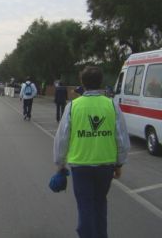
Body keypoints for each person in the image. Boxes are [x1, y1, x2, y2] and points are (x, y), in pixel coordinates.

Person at [53, 66, 130, 238]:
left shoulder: (73, 106)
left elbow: (62, 138)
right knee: (100, 203)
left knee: (85, 205)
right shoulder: (111, 105)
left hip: (81, 166)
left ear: (83, 83)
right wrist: (119, 163)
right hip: (106, 166)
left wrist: (60, 164)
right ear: (100, 82)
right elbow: (122, 138)